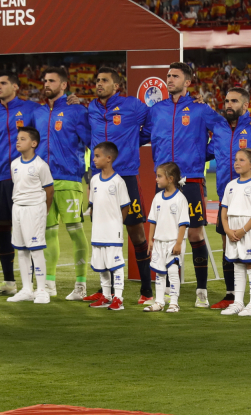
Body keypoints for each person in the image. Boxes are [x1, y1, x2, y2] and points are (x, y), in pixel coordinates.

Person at [145, 63, 229, 306]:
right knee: (164, 236)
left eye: (175, 76)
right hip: (163, 183)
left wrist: (203, 153)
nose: (169, 80)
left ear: (188, 82)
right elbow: (142, 135)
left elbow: (224, 130)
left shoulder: (200, 109)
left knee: (194, 234)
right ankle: (169, 290)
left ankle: (201, 290)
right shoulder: (156, 110)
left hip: (191, 179)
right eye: (168, 76)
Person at [85, 68, 153, 304]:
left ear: (116, 86)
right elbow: (87, 135)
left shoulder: (132, 106)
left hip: (125, 177)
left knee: (136, 233)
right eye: (97, 80)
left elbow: (154, 123)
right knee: (102, 233)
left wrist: (134, 139)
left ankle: (146, 290)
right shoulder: (91, 108)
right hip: (99, 180)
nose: (99, 83)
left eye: (104, 80)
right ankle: (106, 291)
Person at [207, 87, 251, 311]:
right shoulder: (219, 128)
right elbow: (210, 151)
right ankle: (231, 296)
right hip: (225, 196)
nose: (229, 104)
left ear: (245, 106)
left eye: (234, 101)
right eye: (227, 100)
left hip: (250, 200)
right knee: (227, 244)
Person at [33, 67, 91, 301]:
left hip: (69, 179)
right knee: (48, 234)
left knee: (75, 233)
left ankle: (81, 284)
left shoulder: (76, 111)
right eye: (45, 80)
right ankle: (49, 283)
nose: (46, 84)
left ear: (64, 85)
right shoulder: (37, 113)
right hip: (42, 183)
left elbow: (90, 141)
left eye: (52, 81)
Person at [0, 72, 38, 296]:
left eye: (3, 83)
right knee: (3, 230)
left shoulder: (31, 109)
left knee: (26, 230)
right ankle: (9, 283)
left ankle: (29, 285)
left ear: (15, 86)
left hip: (24, 178)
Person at [4, 127, 54, 304]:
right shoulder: (14, 164)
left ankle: (41, 290)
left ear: (34, 143)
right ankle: (26, 289)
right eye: (18, 138)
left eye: (23, 139)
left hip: (35, 209)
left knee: (36, 248)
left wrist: (43, 211)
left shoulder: (41, 165)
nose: (18, 141)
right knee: (21, 249)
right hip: (18, 208)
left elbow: (49, 191)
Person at [218, 149, 251, 317]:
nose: (237, 163)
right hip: (232, 229)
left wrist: (243, 230)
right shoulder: (230, 185)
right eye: (236, 160)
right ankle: (238, 302)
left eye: (241, 160)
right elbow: (223, 210)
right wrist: (226, 229)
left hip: (249, 230)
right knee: (237, 264)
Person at [86, 142, 131, 311]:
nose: (94, 159)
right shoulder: (94, 180)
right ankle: (105, 296)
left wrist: (116, 223)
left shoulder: (118, 182)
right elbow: (92, 205)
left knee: (116, 264)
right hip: (98, 231)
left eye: (97, 156)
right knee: (101, 265)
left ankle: (118, 297)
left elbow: (125, 206)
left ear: (109, 158)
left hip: (113, 231)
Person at [143, 162, 188, 312]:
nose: (156, 179)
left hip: (173, 242)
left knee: (173, 272)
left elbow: (183, 224)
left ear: (170, 178)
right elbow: (153, 221)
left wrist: (179, 243)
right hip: (159, 242)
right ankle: (159, 302)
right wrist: (150, 240)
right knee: (159, 273)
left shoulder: (180, 199)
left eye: (159, 176)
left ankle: (174, 303)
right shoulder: (157, 198)